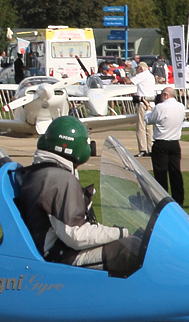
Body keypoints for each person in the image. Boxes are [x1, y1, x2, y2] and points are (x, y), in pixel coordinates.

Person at [13, 116, 142, 276]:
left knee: (134, 242)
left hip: (56, 248)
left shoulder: (45, 172)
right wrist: (121, 232)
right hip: (60, 255)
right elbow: (75, 235)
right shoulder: (59, 180)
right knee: (134, 249)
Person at [145, 84, 187, 206]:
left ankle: (162, 200)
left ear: (165, 95)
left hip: (161, 142)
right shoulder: (181, 107)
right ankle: (179, 199)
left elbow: (149, 120)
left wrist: (148, 110)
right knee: (175, 172)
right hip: (174, 142)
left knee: (161, 173)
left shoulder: (160, 107)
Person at [130, 59, 156, 155]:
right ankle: (151, 148)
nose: (137, 70)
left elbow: (130, 81)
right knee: (149, 127)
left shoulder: (142, 75)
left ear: (141, 68)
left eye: (138, 69)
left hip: (143, 102)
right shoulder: (151, 76)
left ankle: (143, 149)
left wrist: (122, 78)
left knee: (141, 126)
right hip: (151, 103)